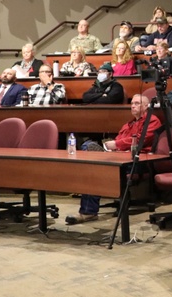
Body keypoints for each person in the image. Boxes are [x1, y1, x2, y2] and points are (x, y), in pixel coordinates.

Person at [64, 94, 162, 225]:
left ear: (146, 106)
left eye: (137, 103)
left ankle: (88, 212)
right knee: (88, 151)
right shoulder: (129, 124)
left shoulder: (152, 120)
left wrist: (116, 145)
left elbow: (140, 139)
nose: (133, 106)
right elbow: (119, 139)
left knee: (96, 169)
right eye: (132, 103)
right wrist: (115, 146)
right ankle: (97, 157)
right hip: (118, 157)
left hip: (138, 161)